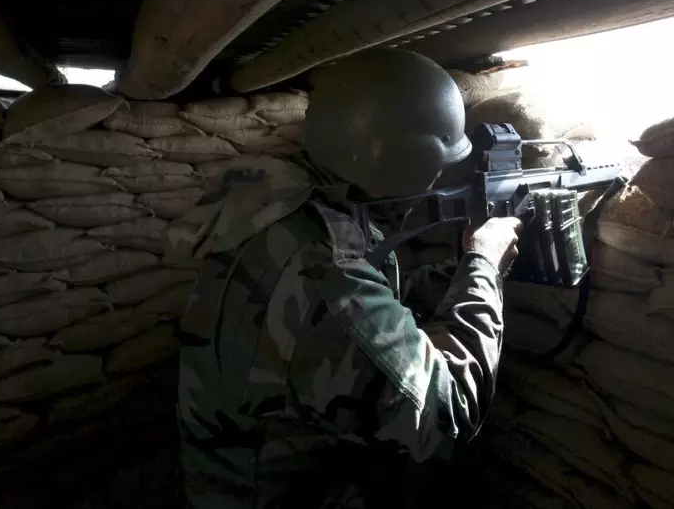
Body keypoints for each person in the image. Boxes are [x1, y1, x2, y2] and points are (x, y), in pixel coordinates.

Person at [176, 48, 523, 509]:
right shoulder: (324, 274)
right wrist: (483, 268)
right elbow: (445, 417)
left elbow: (376, 303)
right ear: (409, 161)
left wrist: (460, 270)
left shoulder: (282, 212)